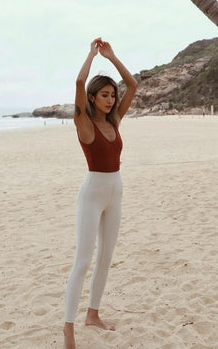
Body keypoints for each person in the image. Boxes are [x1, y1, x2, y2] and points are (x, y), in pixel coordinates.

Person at [63, 38, 137, 349]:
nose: (110, 100)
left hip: (115, 190)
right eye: (105, 95)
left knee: (106, 258)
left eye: (112, 95)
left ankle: (93, 315)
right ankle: (68, 329)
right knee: (83, 260)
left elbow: (132, 85)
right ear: (92, 98)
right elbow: (80, 81)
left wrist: (114, 56)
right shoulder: (84, 124)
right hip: (92, 192)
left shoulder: (115, 121)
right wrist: (92, 55)